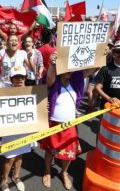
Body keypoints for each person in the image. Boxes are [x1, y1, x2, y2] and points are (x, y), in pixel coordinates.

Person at [41, 52, 94, 190]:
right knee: (50, 151)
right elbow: (49, 79)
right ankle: (47, 171)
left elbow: (91, 69)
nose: (68, 71)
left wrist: (101, 56)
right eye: (65, 67)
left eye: (70, 68)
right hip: (53, 124)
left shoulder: (76, 83)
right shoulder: (54, 82)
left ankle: (64, 173)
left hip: (70, 125)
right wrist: (53, 64)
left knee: (70, 152)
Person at [0, 66, 30, 191]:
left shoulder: (32, 92)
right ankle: (4, 180)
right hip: (10, 130)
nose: (20, 79)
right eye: (16, 77)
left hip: (24, 130)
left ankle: (16, 176)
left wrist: (43, 108)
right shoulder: (5, 93)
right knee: (10, 157)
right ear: (11, 79)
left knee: (20, 155)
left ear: (25, 78)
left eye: (22, 77)